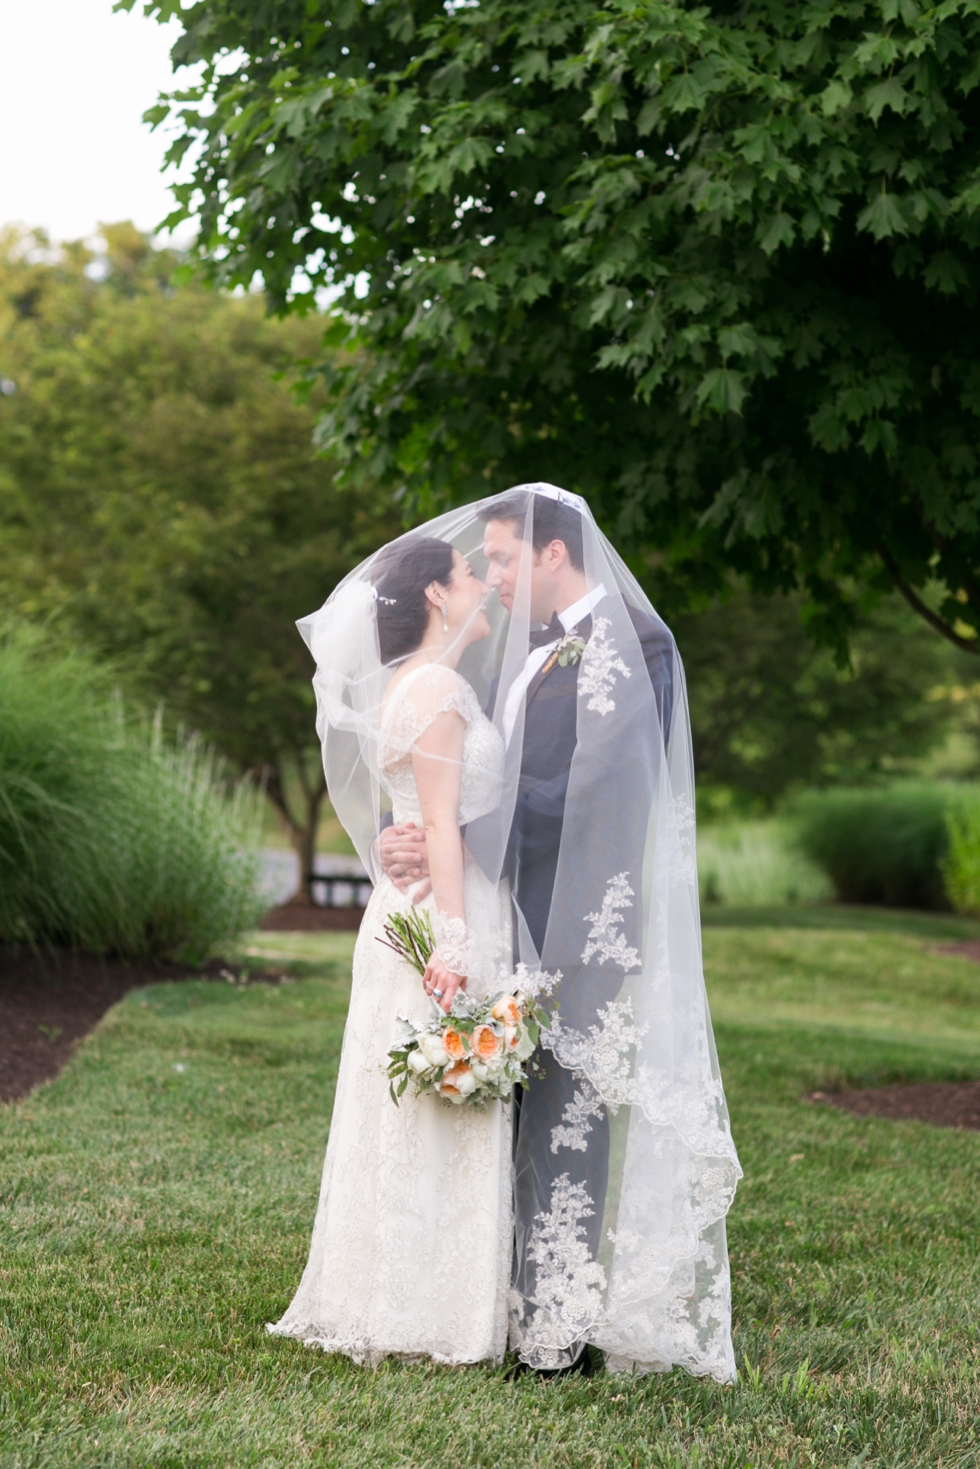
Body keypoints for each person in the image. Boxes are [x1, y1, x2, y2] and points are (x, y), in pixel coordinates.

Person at [381, 486, 742, 1380]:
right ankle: (508, 1306)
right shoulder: (527, 653)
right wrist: (428, 831)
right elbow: (481, 780)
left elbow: (608, 793)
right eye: (489, 562)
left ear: (552, 554)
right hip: (515, 912)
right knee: (519, 1109)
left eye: (503, 558)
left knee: (572, 1113)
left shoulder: (642, 647)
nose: (493, 576)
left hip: (589, 916)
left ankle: (558, 1334)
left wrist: (456, 833)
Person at [269, 536, 514, 1366]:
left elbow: (413, 814)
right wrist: (455, 940)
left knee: (411, 1104)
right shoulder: (438, 685)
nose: (483, 584)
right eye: (470, 573)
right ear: (439, 597)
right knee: (438, 1099)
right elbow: (439, 823)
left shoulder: (407, 687)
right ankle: (428, 1310)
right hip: (438, 915)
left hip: (404, 904)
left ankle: (383, 1292)